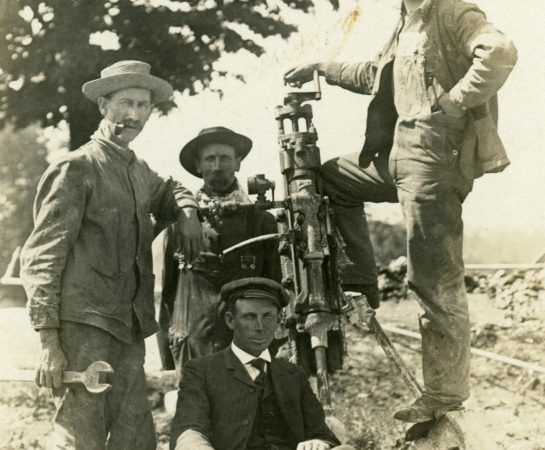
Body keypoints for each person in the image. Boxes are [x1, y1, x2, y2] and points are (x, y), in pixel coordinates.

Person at [284, 0, 517, 423]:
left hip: (434, 160)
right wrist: (321, 66)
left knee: (433, 277)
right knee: (330, 179)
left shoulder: (453, 13)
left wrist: (454, 101)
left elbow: (500, 52)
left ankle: (445, 393)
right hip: (395, 154)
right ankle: (359, 279)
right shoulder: (406, 21)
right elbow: (375, 75)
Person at [19, 60, 203, 449]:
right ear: (103, 106)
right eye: (125, 103)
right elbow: (41, 259)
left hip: (129, 329)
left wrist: (186, 211)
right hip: (82, 331)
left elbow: (168, 188)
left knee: (134, 439)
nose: (133, 115)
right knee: (79, 439)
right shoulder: (76, 168)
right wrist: (50, 343)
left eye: (142, 105)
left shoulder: (137, 170)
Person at [170, 277, 355, 450]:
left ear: (278, 321)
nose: (260, 327)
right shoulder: (202, 370)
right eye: (249, 317)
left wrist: (318, 442)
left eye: (267, 317)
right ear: (230, 320)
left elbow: (322, 433)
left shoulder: (293, 374)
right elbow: (189, 429)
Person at [158, 127, 281, 372]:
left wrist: (270, 344)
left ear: (238, 162)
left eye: (224, 158)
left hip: (245, 344)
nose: (217, 166)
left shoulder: (261, 221)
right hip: (195, 343)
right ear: (198, 165)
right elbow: (168, 293)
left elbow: (274, 286)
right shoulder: (181, 223)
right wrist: (168, 351)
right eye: (209, 159)